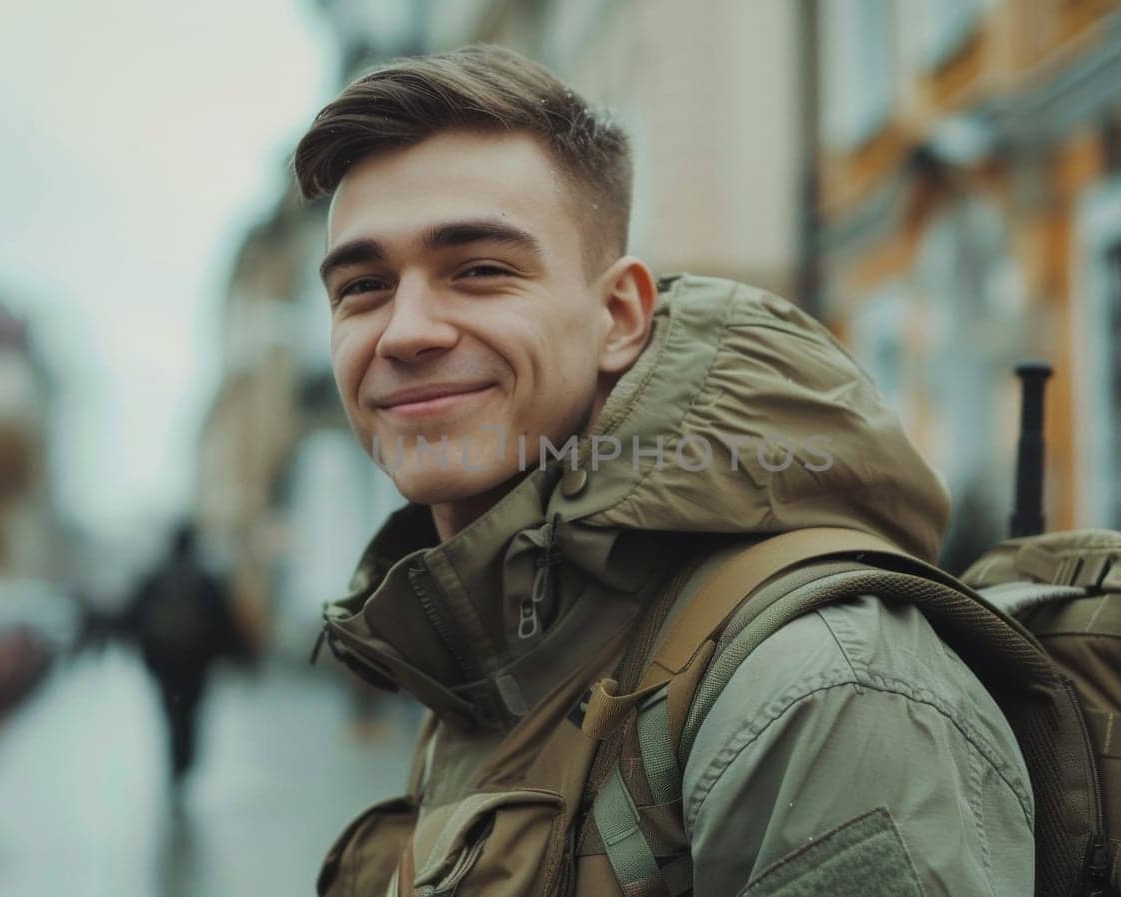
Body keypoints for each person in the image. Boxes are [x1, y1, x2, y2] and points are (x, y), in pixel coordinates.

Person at [295, 45, 1033, 896]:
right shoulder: (496, 647)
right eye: (362, 285)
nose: (405, 331)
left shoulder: (814, 685)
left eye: (480, 270)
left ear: (617, 316)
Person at [126, 523, 247, 786]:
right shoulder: (205, 578)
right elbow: (224, 621)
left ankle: (176, 762)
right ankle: (185, 762)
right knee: (192, 714)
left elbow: (132, 618)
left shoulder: (155, 577)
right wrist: (241, 656)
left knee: (171, 713)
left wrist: (143, 652)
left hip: (163, 663)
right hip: (196, 663)